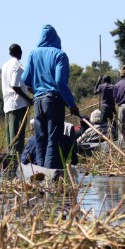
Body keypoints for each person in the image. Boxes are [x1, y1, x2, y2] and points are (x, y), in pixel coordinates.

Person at [21, 25, 80, 169]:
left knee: (41, 139)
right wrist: (71, 104)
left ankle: (40, 172)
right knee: (53, 139)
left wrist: (36, 87)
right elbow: (60, 82)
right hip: (53, 101)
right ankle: (49, 174)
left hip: (38, 101)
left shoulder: (33, 54)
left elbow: (25, 78)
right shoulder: (60, 55)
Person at [1, 43, 33, 155]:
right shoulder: (17, 65)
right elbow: (15, 85)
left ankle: (11, 157)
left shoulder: (5, 65)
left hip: (8, 105)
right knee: (17, 136)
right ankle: (16, 158)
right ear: (20, 52)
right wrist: (28, 99)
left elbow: (22, 84)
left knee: (10, 136)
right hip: (17, 104)